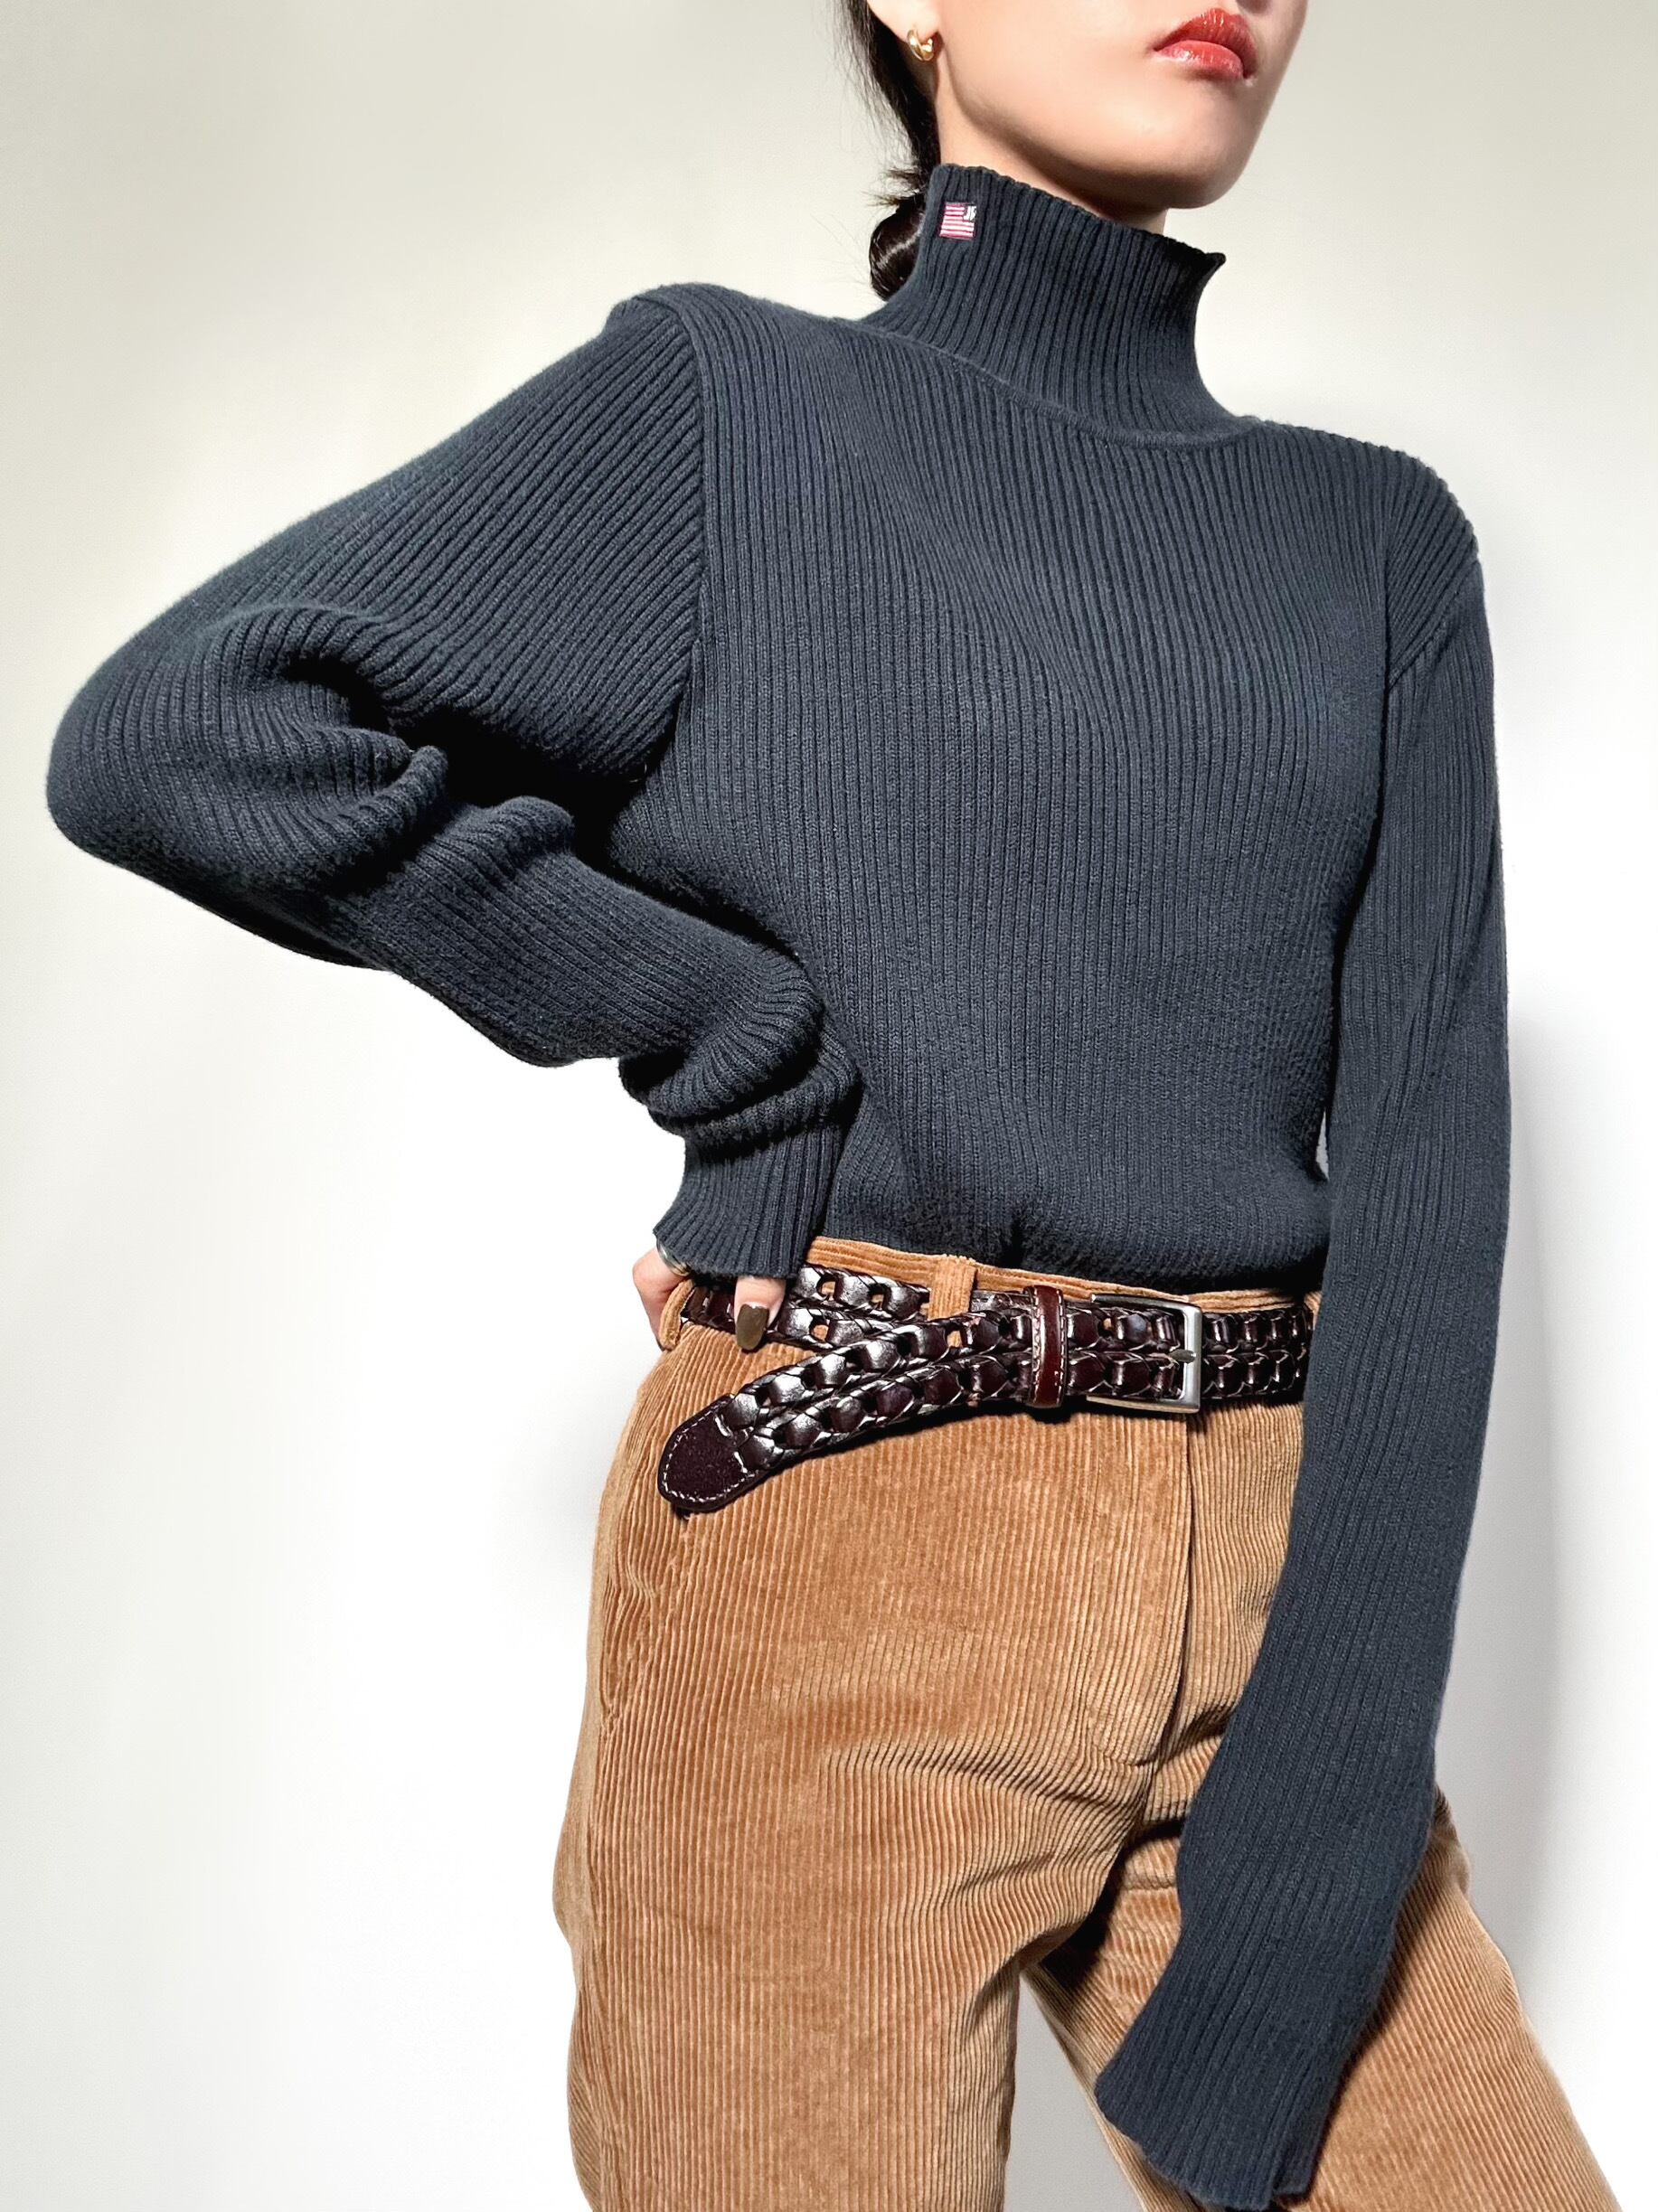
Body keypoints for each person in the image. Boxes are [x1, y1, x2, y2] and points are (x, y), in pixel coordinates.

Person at [44, 3, 1620, 2207]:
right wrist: (730, 1034)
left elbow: (1433, 1180)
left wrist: (1333, 1778)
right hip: (835, 1546)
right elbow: (186, 731)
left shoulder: (1372, 545)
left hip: (1276, 1600)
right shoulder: (726, 411)